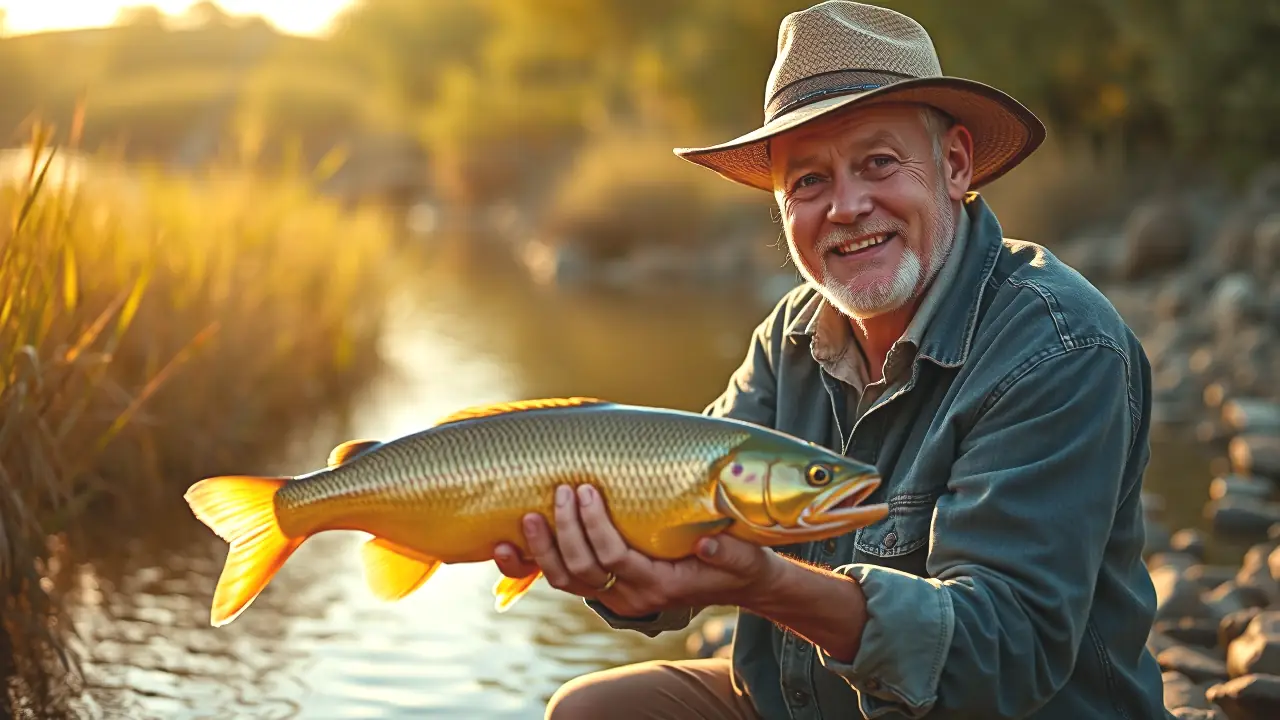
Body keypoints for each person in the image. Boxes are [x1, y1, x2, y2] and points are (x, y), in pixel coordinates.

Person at [493, 2, 1170, 718]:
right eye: (809, 182)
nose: (846, 206)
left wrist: (764, 584)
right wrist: (613, 566)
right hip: (801, 703)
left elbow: (1000, 656)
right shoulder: (785, 337)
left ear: (955, 164)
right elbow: (679, 533)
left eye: (878, 163)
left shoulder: (1058, 346)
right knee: (594, 709)